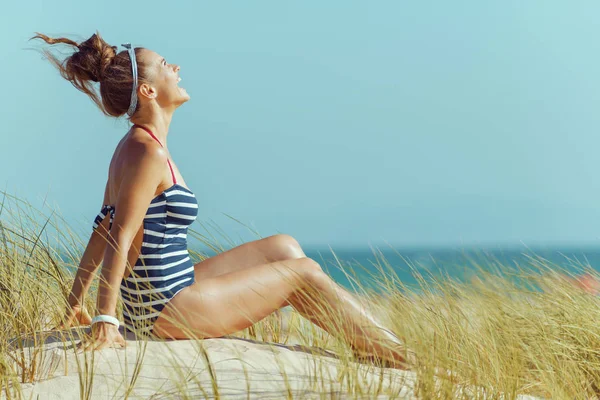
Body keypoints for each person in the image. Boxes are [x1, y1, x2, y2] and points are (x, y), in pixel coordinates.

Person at [31, 31, 414, 369]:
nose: (176, 67)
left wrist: (73, 306)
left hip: (164, 293)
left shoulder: (136, 146)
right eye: (165, 65)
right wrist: (105, 321)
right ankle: (401, 357)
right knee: (304, 274)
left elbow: (103, 227)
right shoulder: (147, 153)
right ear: (148, 91)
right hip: (166, 308)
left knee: (285, 248)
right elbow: (120, 234)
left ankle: (367, 345)